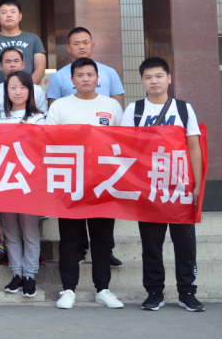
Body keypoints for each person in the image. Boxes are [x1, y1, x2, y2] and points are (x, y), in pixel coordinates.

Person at [120, 57, 205, 312]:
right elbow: (125, 148)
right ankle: (154, 292)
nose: (154, 81)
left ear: (169, 78)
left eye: (159, 76)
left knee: (185, 245)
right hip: (149, 189)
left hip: (180, 187)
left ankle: (187, 292)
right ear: (142, 82)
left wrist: (198, 184)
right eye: (148, 77)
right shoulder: (134, 110)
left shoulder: (183, 109)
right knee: (151, 245)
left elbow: (194, 147)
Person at [47, 58, 124, 310]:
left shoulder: (111, 105)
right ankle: (68, 289)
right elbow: (48, 142)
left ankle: (103, 289)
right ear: (72, 80)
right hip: (70, 182)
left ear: (98, 78)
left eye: (90, 74)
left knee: (102, 238)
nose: (85, 79)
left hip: (103, 182)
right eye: (80, 75)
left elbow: (123, 142)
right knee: (70, 238)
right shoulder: (60, 106)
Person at [0, 71, 45, 298]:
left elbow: (40, 149)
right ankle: (16, 273)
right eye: (13, 87)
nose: (18, 92)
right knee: (10, 230)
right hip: (5, 180)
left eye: (23, 87)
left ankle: (30, 275)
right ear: (6, 91)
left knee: (30, 230)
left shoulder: (39, 118)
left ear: (30, 91)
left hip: (29, 182)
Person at [0, 0, 46, 88]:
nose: (9, 15)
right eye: (4, 12)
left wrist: (26, 89)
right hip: (0, 93)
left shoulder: (34, 39)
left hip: (27, 92)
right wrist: (0, 92)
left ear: (20, 16)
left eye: (13, 12)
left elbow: (40, 69)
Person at [0, 47, 48, 125]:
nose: (12, 65)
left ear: (23, 64)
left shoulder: (37, 90)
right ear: (0, 66)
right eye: (8, 61)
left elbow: (43, 117)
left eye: (16, 61)